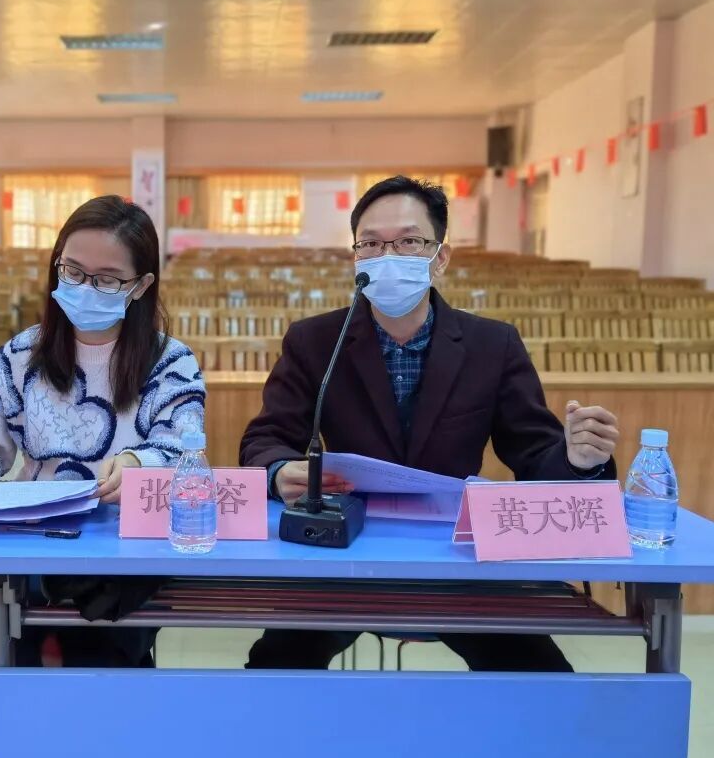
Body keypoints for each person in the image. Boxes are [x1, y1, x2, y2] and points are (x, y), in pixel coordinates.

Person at [240, 176, 620, 671]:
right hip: (343, 551)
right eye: (371, 244)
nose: (387, 256)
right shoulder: (316, 342)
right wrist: (279, 471)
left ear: (440, 257)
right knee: (274, 668)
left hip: (457, 559)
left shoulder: (492, 345)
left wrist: (579, 459)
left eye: (408, 241)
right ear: (356, 257)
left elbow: (534, 453)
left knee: (543, 676)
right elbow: (267, 438)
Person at [0, 195, 205, 666]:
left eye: (107, 279)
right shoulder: (21, 355)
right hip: (35, 540)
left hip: (126, 548)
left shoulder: (170, 362)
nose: (86, 288)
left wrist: (138, 462)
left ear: (140, 286)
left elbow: (182, 447)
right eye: (73, 271)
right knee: (28, 658)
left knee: (104, 663)